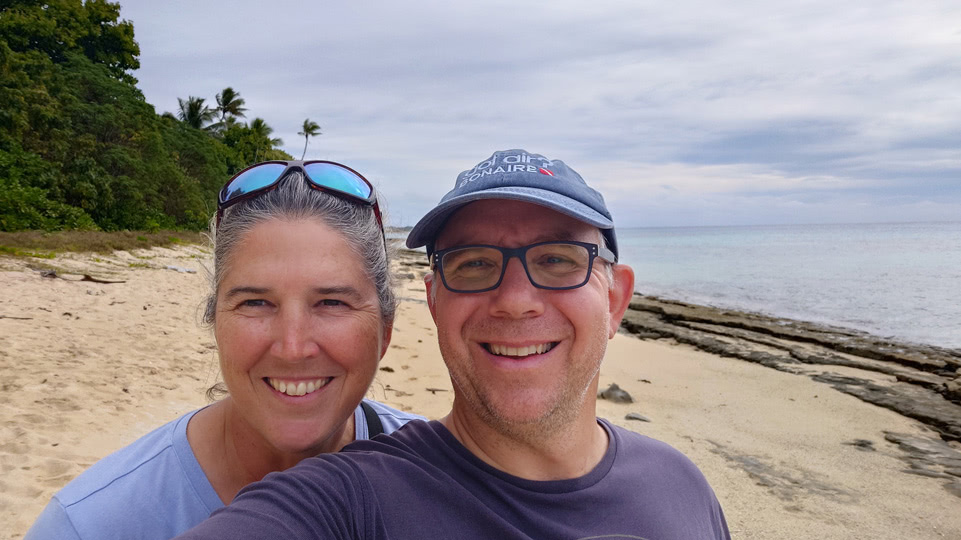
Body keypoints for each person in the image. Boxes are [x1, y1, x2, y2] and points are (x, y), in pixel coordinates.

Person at [175, 149, 730, 539]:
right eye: (475, 264)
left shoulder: (679, 484)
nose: (516, 300)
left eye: (558, 260)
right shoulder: (353, 498)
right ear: (434, 301)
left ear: (614, 301)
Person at [25, 161, 423, 540]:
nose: (293, 348)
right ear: (215, 321)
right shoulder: (91, 525)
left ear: (384, 329)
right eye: (255, 303)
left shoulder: (440, 480)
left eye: (332, 303)